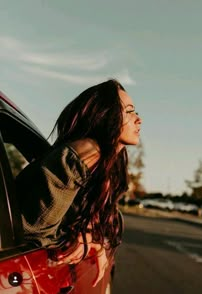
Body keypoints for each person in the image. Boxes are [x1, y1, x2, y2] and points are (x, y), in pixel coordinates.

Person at [16, 79, 142, 287]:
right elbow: (32, 232)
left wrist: (92, 237)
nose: (138, 119)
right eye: (129, 111)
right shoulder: (84, 154)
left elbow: (103, 218)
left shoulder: (105, 171)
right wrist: (88, 244)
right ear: (103, 115)